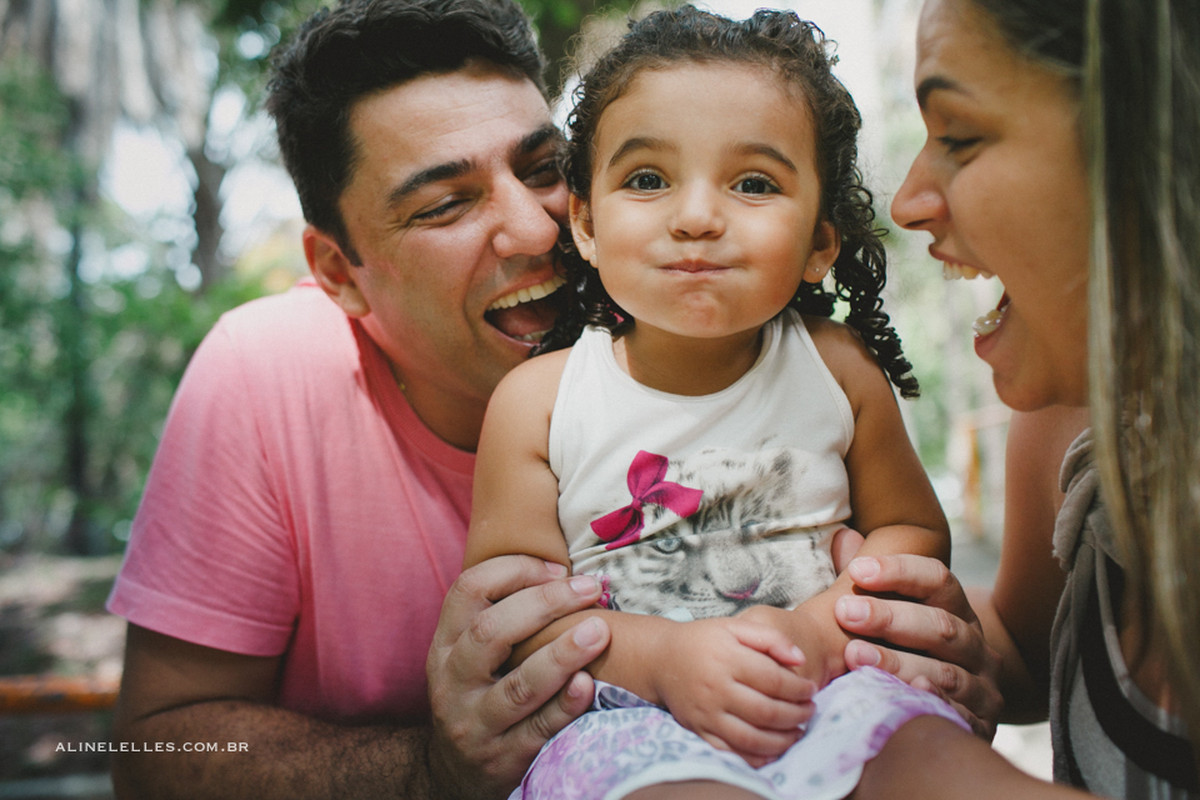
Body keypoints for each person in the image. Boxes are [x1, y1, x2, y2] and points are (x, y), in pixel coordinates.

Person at [104, 1, 618, 797]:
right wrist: (428, 768)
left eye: (543, 168)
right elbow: (151, 752)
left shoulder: (685, 331)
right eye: (446, 203)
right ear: (340, 272)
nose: (536, 229)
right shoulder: (262, 376)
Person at [463, 8, 966, 798]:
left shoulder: (837, 370)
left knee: (935, 763)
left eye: (755, 184)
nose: (697, 217)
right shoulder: (540, 402)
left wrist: (816, 633)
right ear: (587, 224)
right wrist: (666, 660)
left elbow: (915, 533)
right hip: (624, 717)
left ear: (819, 245)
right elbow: (514, 621)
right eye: (648, 179)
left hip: (833, 684)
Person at [832, 0, 1200, 796]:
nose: (906, 203)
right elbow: (1028, 658)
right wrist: (926, 641)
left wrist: (923, 769)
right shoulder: (1064, 438)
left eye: (959, 136)